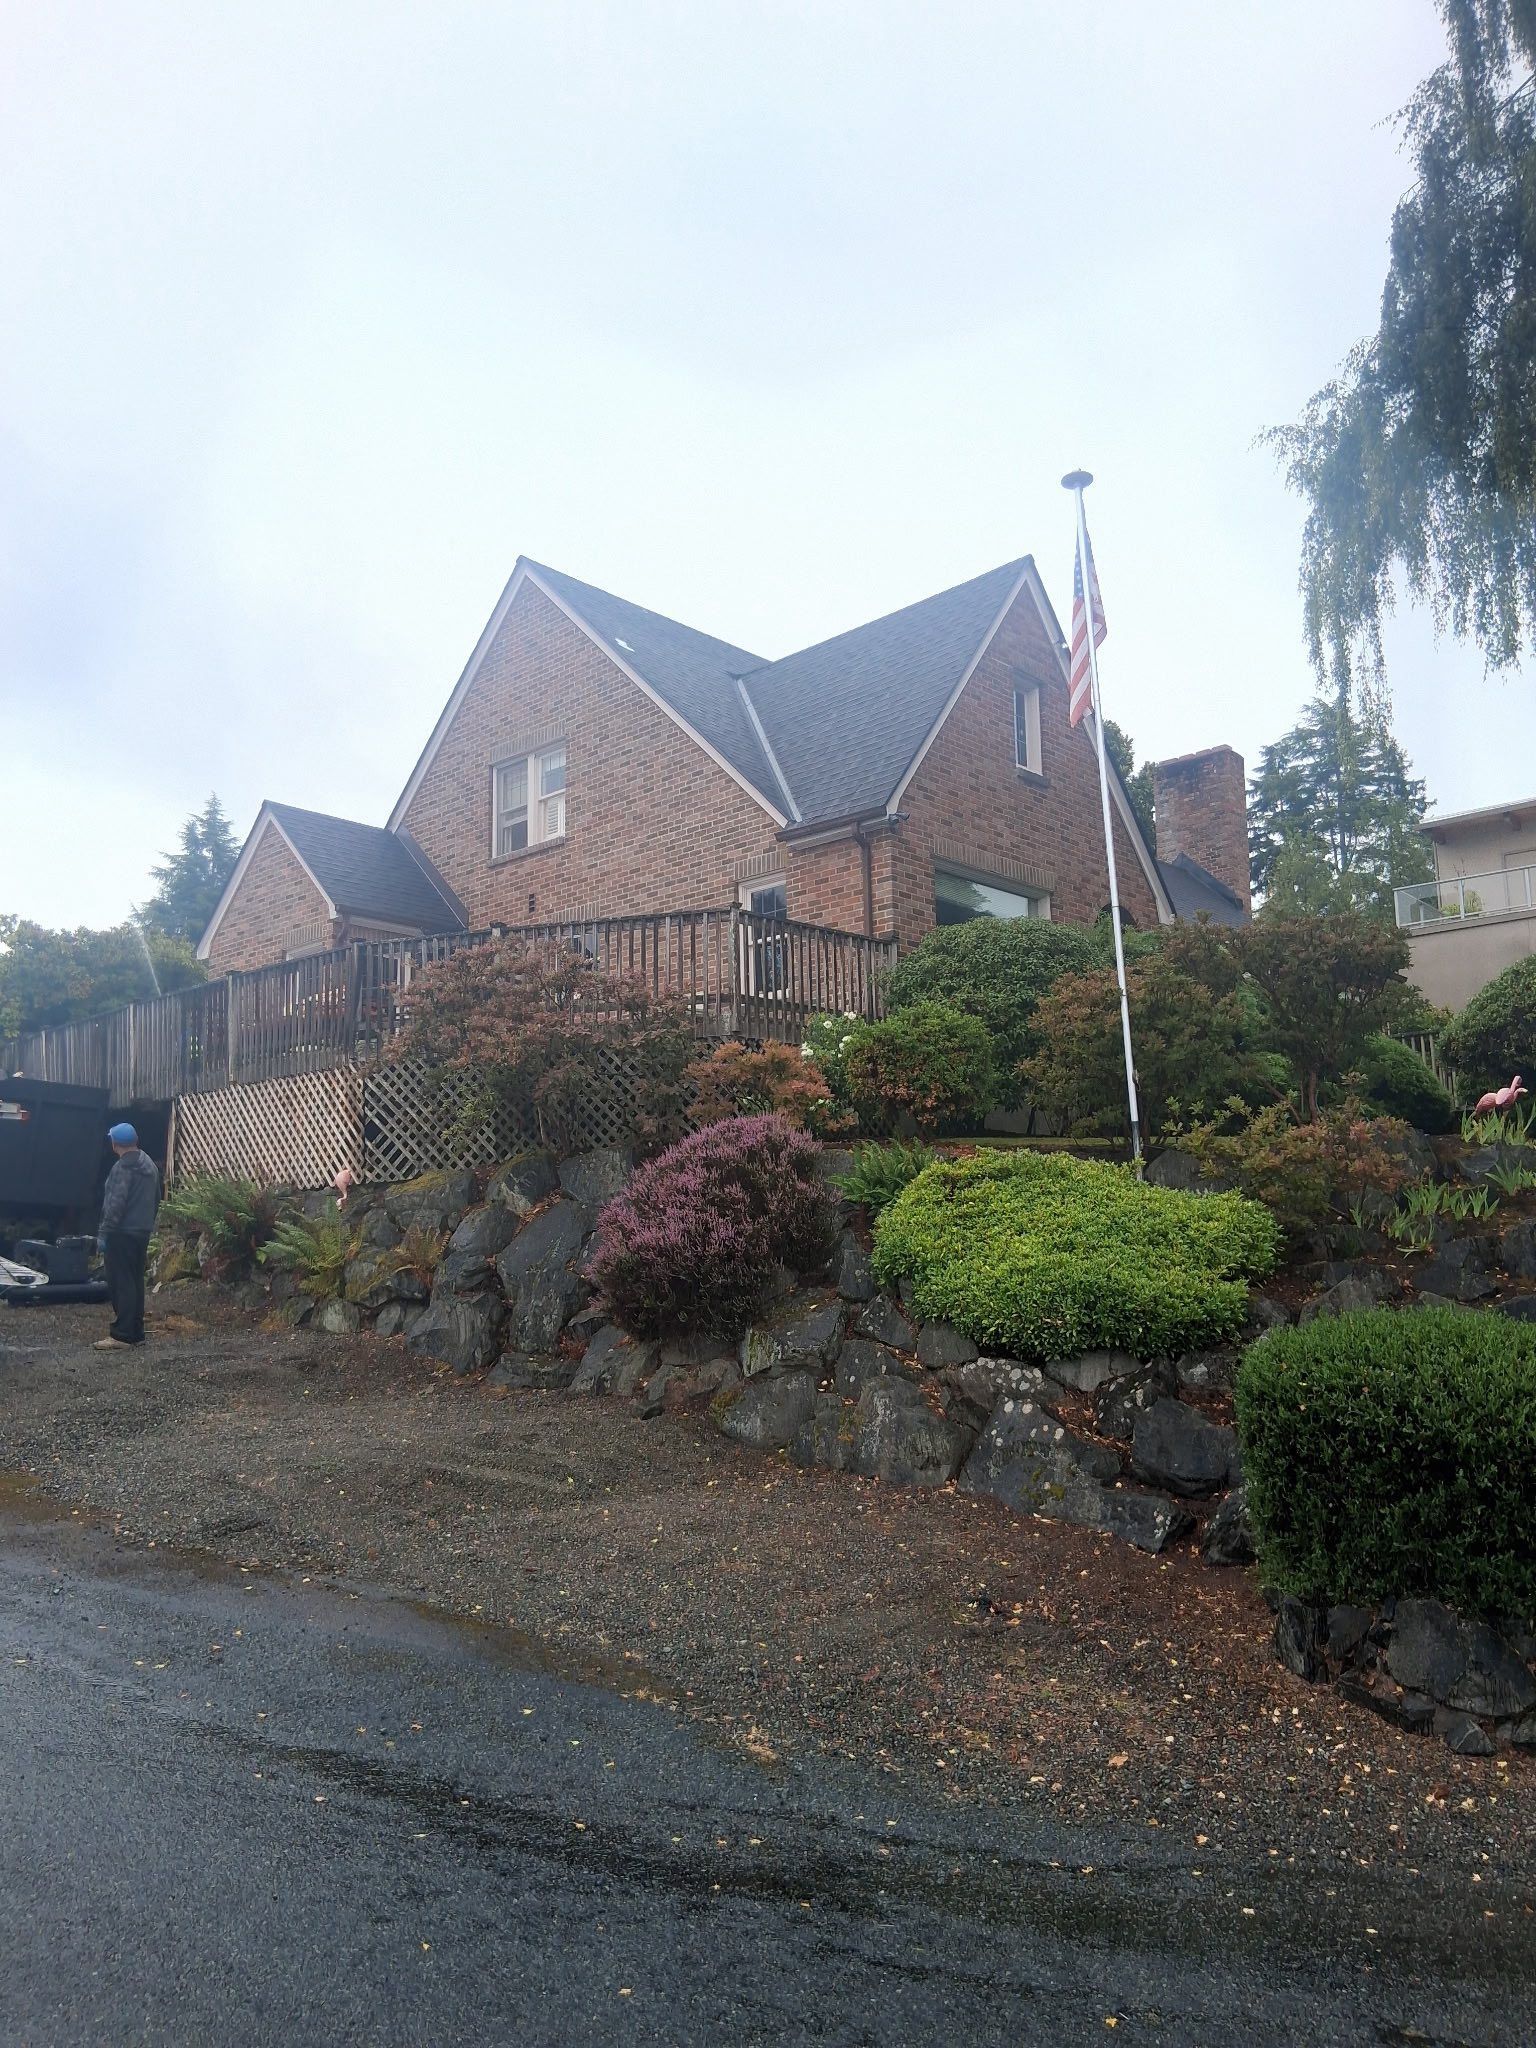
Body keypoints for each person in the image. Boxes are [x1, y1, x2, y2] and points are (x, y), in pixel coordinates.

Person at [94, 1123, 161, 1350]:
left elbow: (115, 1204)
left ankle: (122, 1335)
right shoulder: (149, 1164)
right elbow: (156, 1198)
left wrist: (104, 1234)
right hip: (141, 1232)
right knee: (134, 1281)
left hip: (121, 1233)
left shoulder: (122, 1168)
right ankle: (136, 1332)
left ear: (115, 1143)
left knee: (121, 1282)